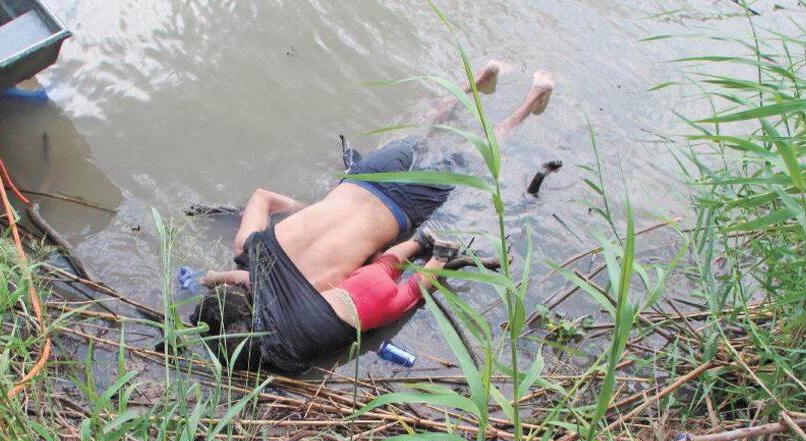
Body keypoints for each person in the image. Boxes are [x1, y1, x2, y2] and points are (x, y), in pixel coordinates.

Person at [194, 64, 555, 371]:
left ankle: (532, 99)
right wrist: (312, 210)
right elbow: (262, 196)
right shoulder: (248, 246)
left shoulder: (312, 299)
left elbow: (369, 282)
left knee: (475, 155)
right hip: (365, 178)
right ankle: (478, 81)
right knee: (421, 131)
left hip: (401, 208)